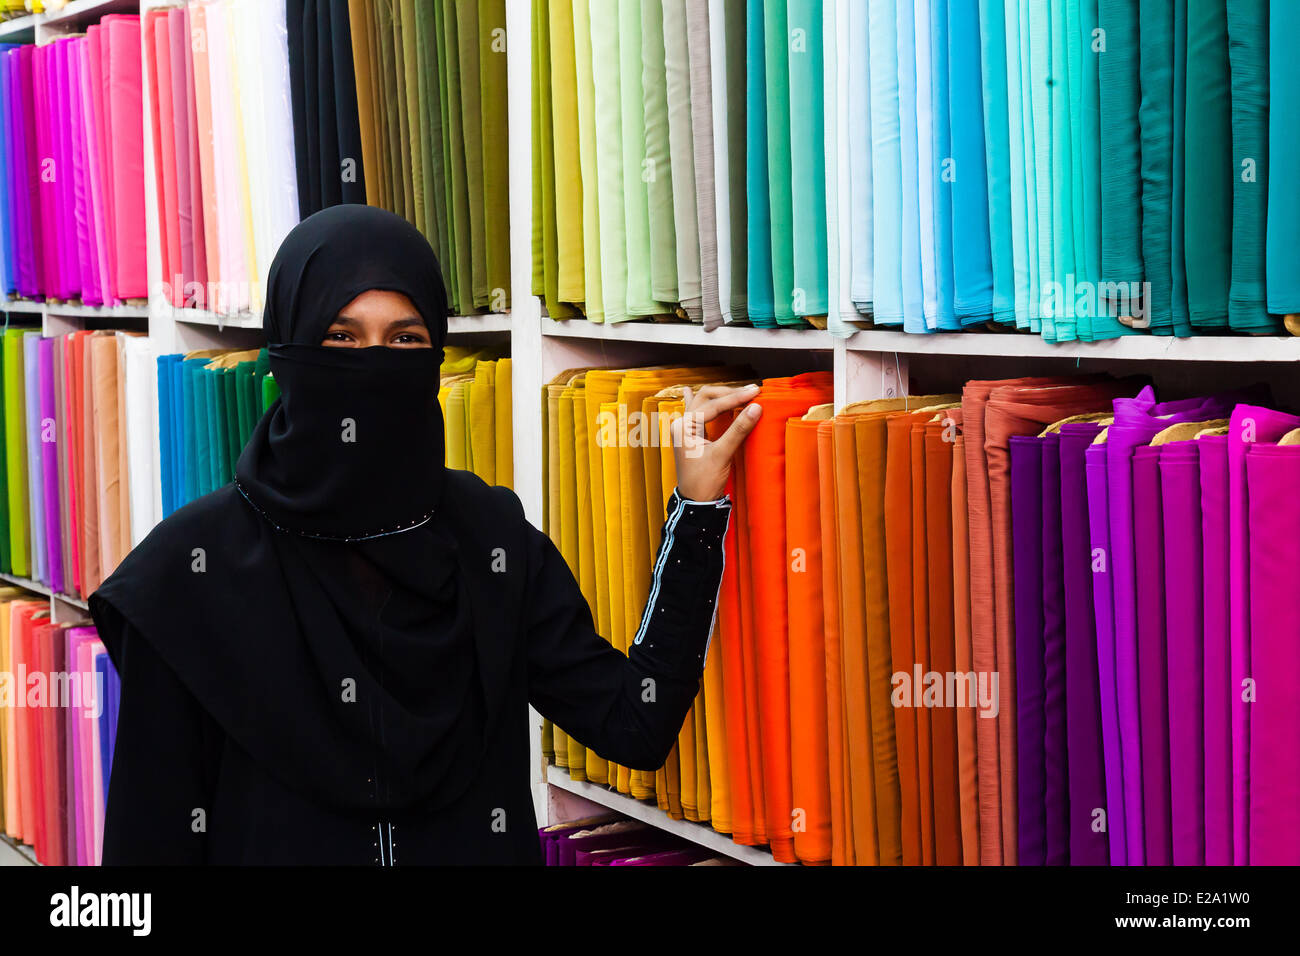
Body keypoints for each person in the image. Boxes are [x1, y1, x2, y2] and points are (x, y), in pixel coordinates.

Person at [88, 205, 763, 864]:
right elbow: (149, 844)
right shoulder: (188, 577)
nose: (373, 364)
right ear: (287, 351)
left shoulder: (490, 543)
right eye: (341, 338)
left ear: (436, 354)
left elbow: (632, 724)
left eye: (404, 340)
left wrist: (696, 513)